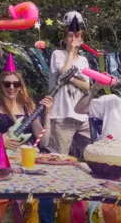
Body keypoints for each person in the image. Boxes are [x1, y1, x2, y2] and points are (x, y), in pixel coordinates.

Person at [0, 53, 53, 151]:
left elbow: (44, 141)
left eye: (16, 84)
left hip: (23, 158)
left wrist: (47, 114)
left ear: (20, 87)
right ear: (1, 86)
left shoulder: (28, 109)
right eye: (7, 84)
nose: (11, 87)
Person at [48, 11, 91, 158]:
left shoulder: (84, 60)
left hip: (82, 118)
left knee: (93, 153)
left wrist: (70, 79)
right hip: (62, 115)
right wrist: (72, 50)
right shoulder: (57, 55)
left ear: (82, 39)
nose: (74, 39)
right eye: (70, 35)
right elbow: (65, 72)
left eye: (77, 36)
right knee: (60, 158)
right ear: (65, 38)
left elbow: (87, 87)